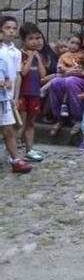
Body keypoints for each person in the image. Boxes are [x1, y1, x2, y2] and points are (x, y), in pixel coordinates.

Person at [0, 16, 30, 173]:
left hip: (6, 97)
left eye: (13, 28)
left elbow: (17, 75)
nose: (11, 31)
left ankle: (15, 159)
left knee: (9, 128)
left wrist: (16, 95)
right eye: (7, 28)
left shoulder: (16, 52)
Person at [18, 23, 46, 162]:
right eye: (31, 38)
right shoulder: (20, 54)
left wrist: (38, 58)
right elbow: (23, 72)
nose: (35, 41)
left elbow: (42, 74)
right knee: (20, 123)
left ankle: (30, 149)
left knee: (31, 122)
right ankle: (15, 149)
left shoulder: (38, 55)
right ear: (23, 40)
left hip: (34, 93)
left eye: (37, 38)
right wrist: (30, 57)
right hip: (23, 93)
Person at [48, 33, 84, 135]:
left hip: (79, 79)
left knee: (70, 81)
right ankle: (60, 119)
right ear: (67, 43)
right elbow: (59, 68)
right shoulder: (64, 56)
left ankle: (78, 118)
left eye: (77, 44)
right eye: (72, 42)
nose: (74, 46)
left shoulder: (82, 55)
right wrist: (69, 70)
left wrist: (75, 70)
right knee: (55, 82)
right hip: (65, 76)